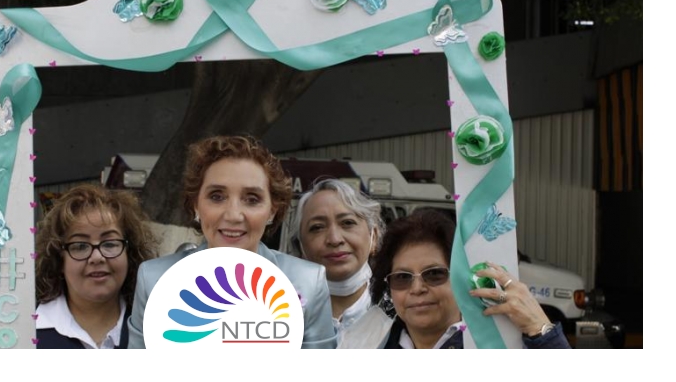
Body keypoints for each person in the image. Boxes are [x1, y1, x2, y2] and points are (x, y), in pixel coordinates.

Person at [127, 135, 337, 348]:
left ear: (273, 210)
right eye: (217, 197)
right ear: (196, 205)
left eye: (252, 199)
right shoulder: (154, 279)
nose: (233, 215)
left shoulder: (308, 282)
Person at [342, 209, 569, 349]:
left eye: (434, 274)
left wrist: (541, 330)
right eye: (402, 277)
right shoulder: (368, 345)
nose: (417, 288)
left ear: (461, 278)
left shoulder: (502, 342)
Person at [32, 184, 157, 348]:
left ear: (130, 253)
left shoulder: (157, 326)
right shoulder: (24, 329)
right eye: (80, 246)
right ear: (59, 259)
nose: (97, 258)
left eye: (110, 244)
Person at [294, 178, 385, 342]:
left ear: (374, 237)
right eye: (317, 227)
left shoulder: (398, 314)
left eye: (347, 223)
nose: (335, 239)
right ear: (300, 246)